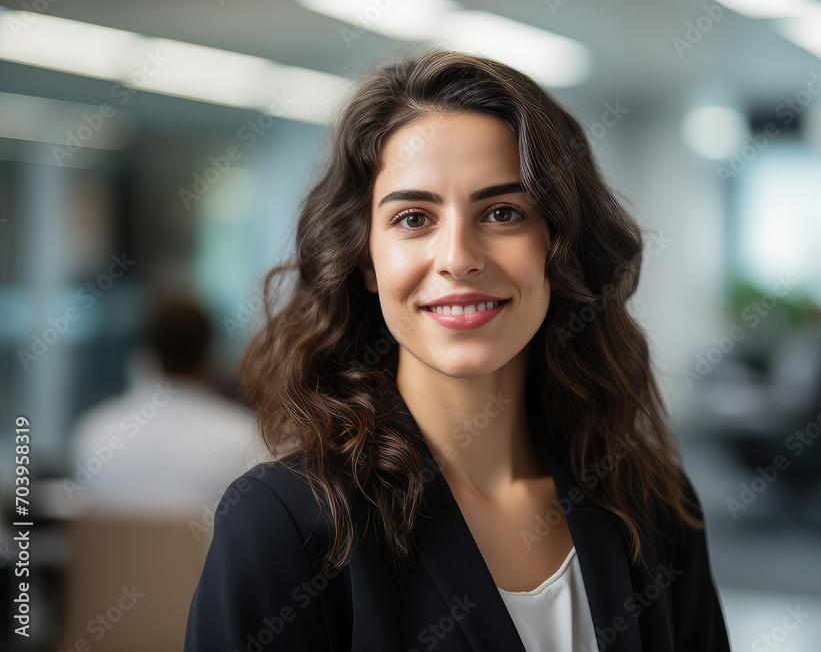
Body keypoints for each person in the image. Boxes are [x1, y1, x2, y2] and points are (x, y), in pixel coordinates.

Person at [184, 47, 731, 651]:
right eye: (414, 218)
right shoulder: (285, 521)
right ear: (367, 261)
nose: (458, 258)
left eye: (502, 212)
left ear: (560, 248)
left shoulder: (650, 505)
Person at [66, 295, 267, 517]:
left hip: (115, 553)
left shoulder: (94, 432)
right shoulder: (246, 438)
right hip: (199, 553)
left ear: (148, 351)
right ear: (207, 353)